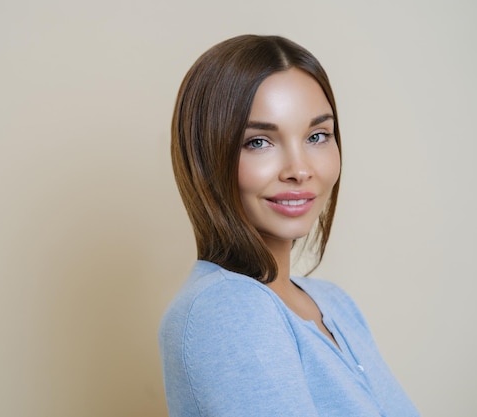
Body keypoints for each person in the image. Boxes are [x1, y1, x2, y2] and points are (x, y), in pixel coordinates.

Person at [158, 35, 420, 417]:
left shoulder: (335, 304)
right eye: (259, 142)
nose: (299, 170)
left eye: (317, 136)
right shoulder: (225, 308)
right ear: (206, 156)